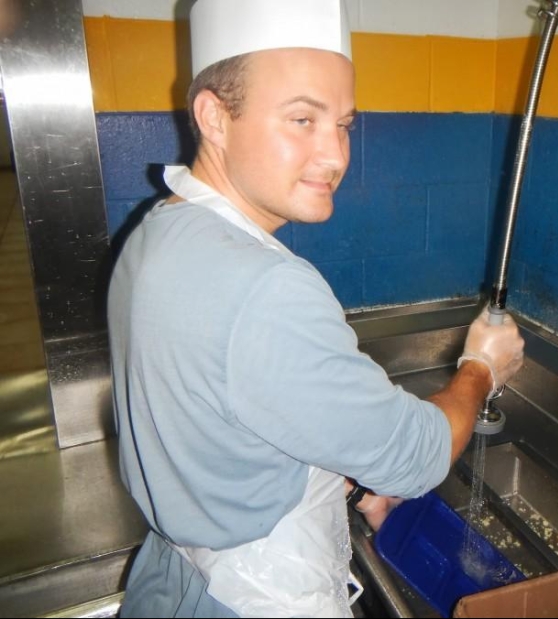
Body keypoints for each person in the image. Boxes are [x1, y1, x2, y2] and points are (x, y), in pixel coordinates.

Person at [107, 1, 525, 617]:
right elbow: (416, 457)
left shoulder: (156, 232)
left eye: (344, 124)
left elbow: (236, 417)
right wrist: (479, 368)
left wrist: (353, 486)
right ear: (214, 117)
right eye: (302, 118)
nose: (335, 155)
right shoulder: (267, 286)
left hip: (174, 583)